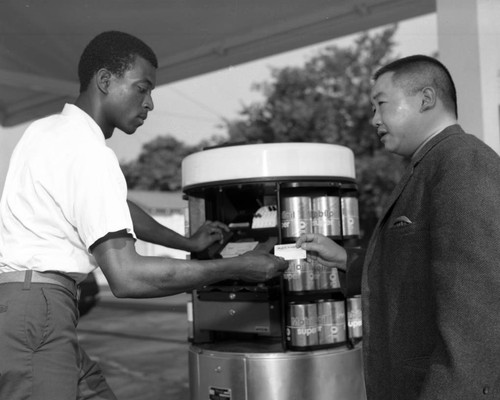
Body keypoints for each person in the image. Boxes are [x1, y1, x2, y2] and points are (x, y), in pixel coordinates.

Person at [0, 31, 287, 400]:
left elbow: (116, 208)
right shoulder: (88, 151)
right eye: (142, 88)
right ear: (105, 80)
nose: (150, 103)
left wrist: (187, 242)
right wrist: (238, 267)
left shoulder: (47, 132)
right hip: (39, 314)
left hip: (24, 307)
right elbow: (127, 276)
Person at [296, 55, 500, 399]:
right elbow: (418, 269)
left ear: (426, 99)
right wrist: (347, 259)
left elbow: (478, 311)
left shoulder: (463, 162)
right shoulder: (429, 163)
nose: (374, 119)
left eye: (381, 104)